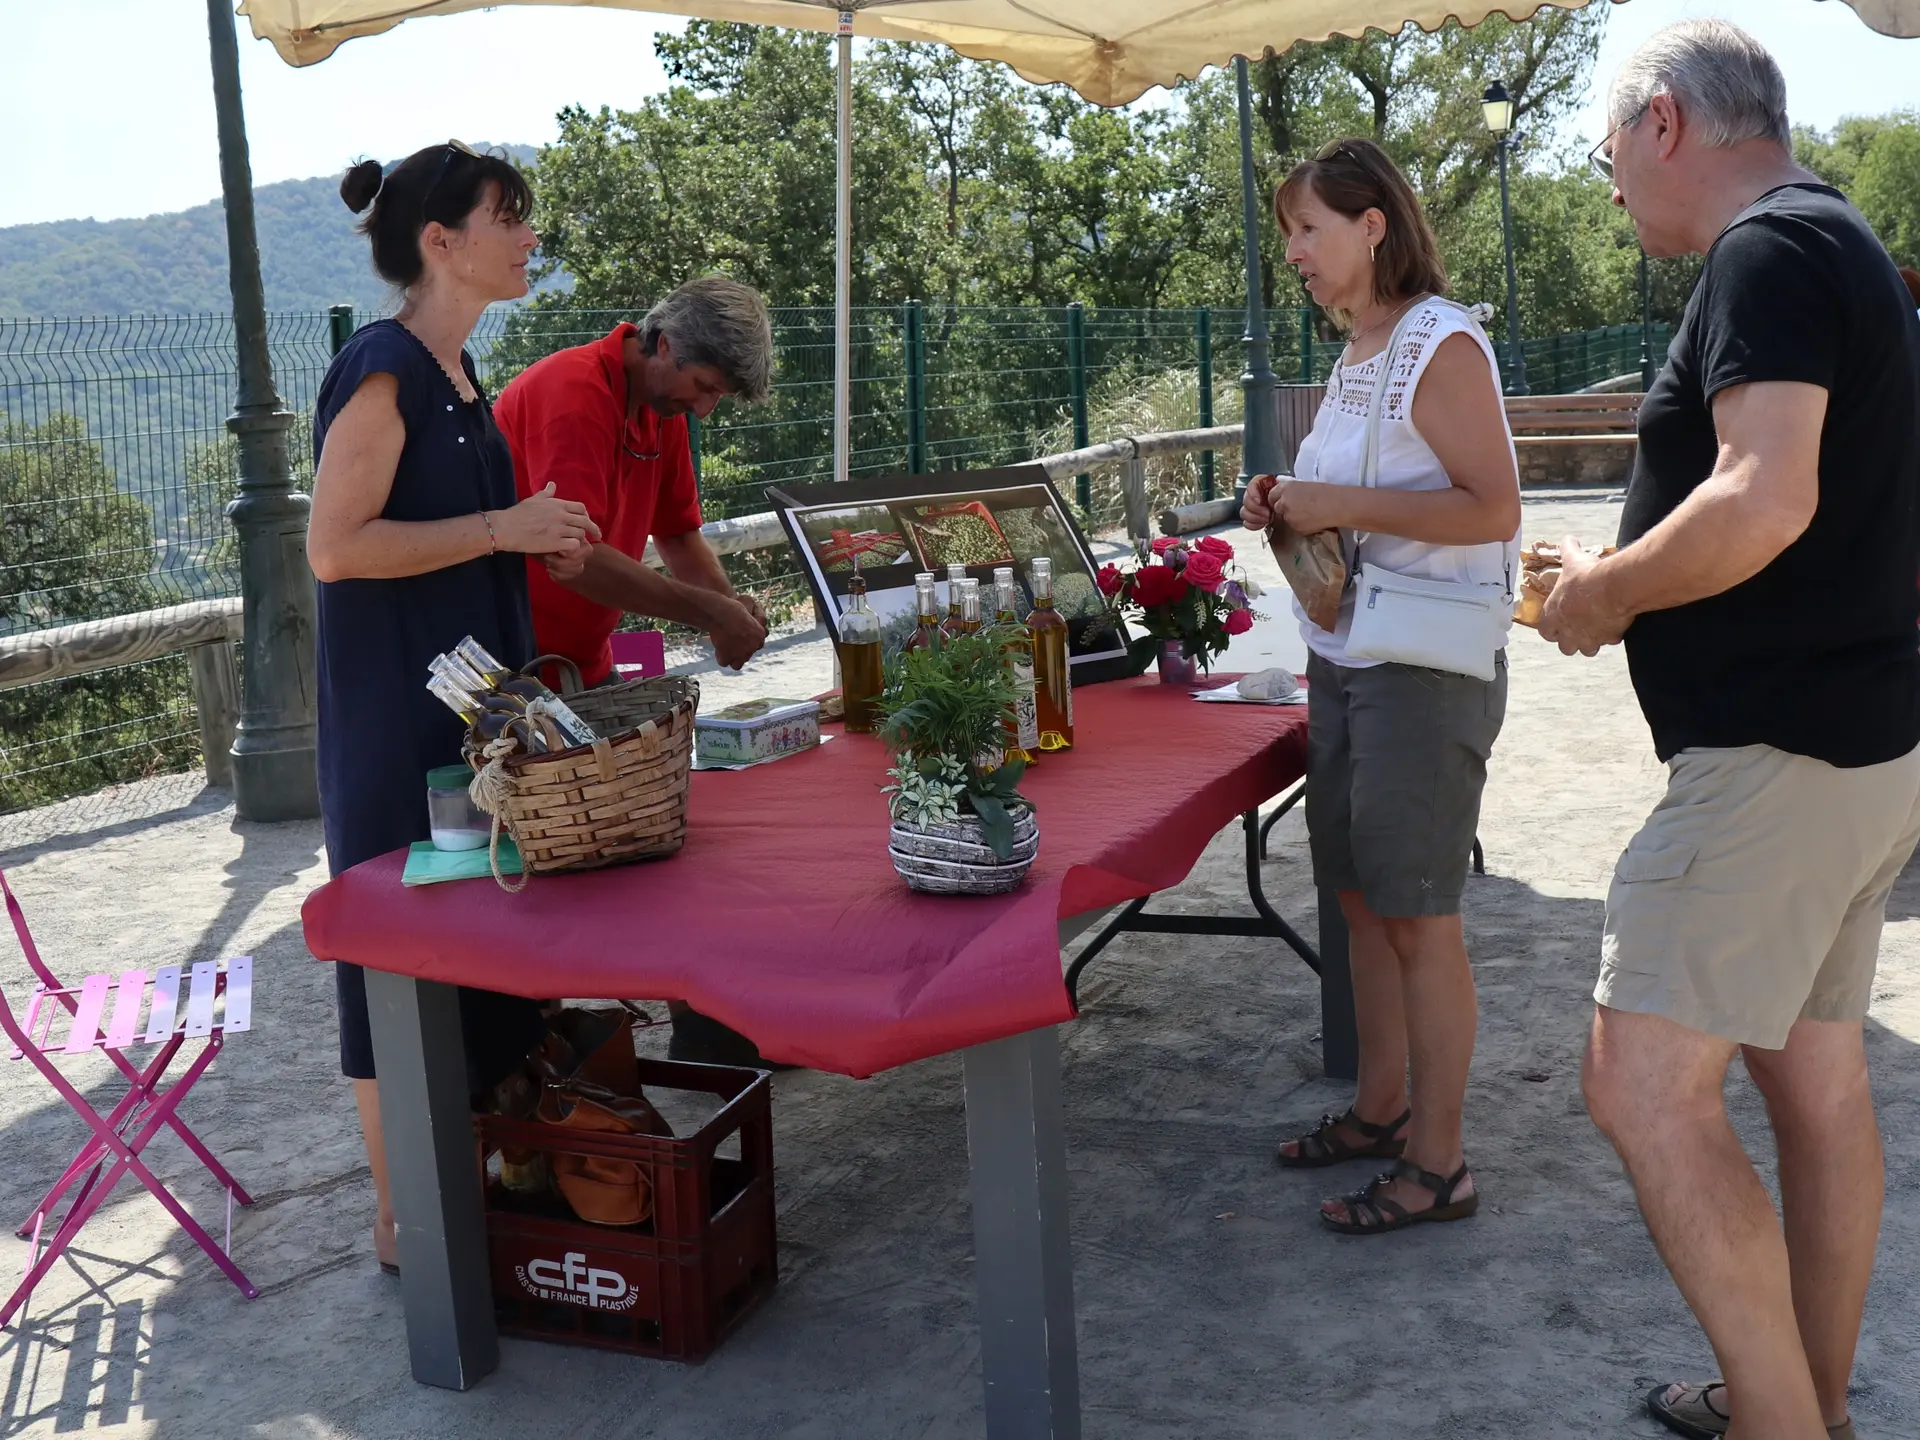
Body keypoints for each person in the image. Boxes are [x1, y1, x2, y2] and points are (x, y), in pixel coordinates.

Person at [1540, 22, 1920, 1440]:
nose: (1612, 189)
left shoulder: (1766, 251)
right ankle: (1804, 1398)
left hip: (1776, 761)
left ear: (1662, 124)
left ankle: (1780, 1423)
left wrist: (1600, 597)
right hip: (1857, 752)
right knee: (1814, 1084)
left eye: (1604, 159)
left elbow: (1764, 496)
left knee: (1636, 1080)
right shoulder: (1841, 242)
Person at [308, 143, 600, 1272]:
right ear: (442, 241)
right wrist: (502, 529)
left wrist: (535, 534)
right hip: (399, 726)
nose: (530, 235)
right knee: (396, 956)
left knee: (479, 946)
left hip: (468, 715)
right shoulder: (382, 367)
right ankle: (401, 1227)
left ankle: (478, 1186)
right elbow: (336, 548)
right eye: (508, 216)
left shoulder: (463, 375)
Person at [1240, 138, 1521, 1235]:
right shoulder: (1364, 351)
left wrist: (1336, 507)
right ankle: (1381, 1108)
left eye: (1307, 230)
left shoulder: (1436, 342)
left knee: (1419, 916)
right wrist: (1290, 502)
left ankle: (1440, 1166)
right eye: (1289, 236)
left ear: (1373, 225)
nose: (1296, 255)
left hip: (1422, 667)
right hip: (1354, 653)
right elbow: (1358, 494)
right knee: (1362, 901)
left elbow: (1492, 508)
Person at [494, 276, 775, 685]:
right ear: (664, 344)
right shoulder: (574, 395)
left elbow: (677, 535)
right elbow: (576, 558)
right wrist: (712, 613)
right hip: (514, 668)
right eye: (703, 386)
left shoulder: (663, 410)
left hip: (584, 664)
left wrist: (730, 609)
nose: (702, 410)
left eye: (718, 396)